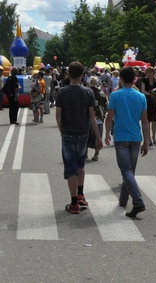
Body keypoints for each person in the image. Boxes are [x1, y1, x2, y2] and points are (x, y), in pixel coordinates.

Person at [105, 66, 150, 218]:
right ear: (134, 80)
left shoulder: (115, 96)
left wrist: (106, 134)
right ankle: (123, 199)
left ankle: (138, 202)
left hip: (121, 137)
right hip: (136, 138)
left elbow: (109, 117)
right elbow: (145, 121)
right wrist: (147, 141)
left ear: (121, 79)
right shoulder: (141, 97)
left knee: (126, 170)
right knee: (129, 170)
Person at [56, 61, 101, 214]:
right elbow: (92, 116)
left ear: (68, 74)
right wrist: (98, 137)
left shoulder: (62, 92)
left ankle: (74, 202)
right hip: (83, 133)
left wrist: (62, 131)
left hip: (68, 133)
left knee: (70, 168)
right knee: (80, 165)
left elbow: (58, 116)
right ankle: (81, 194)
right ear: (83, 75)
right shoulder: (88, 92)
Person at [87, 77, 107, 161]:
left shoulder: (87, 92)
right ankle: (96, 154)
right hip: (99, 117)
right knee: (98, 136)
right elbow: (106, 105)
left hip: (88, 118)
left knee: (87, 136)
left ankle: (85, 153)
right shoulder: (101, 93)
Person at [139, 67, 156, 145]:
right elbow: (142, 90)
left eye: (151, 72)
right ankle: (149, 138)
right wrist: (150, 94)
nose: (150, 74)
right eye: (148, 73)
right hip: (147, 101)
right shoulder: (144, 80)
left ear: (153, 73)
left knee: (154, 120)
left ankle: (154, 136)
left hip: (155, 101)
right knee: (147, 120)